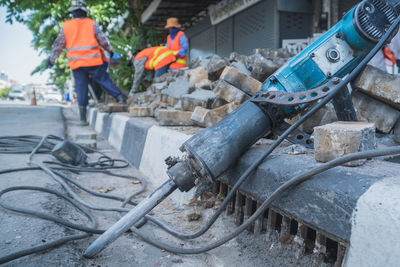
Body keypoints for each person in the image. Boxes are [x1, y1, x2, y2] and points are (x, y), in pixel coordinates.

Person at [47, 0, 126, 126]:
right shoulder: (91, 23)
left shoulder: (66, 26)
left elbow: (58, 44)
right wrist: (110, 50)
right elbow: (103, 40)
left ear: (72, 12)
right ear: (84, 11)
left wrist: (52, 59)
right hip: (93, 61)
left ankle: (83, 119)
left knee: (81, 88)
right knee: (104, 80)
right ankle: (121, 99)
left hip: (77, 64)